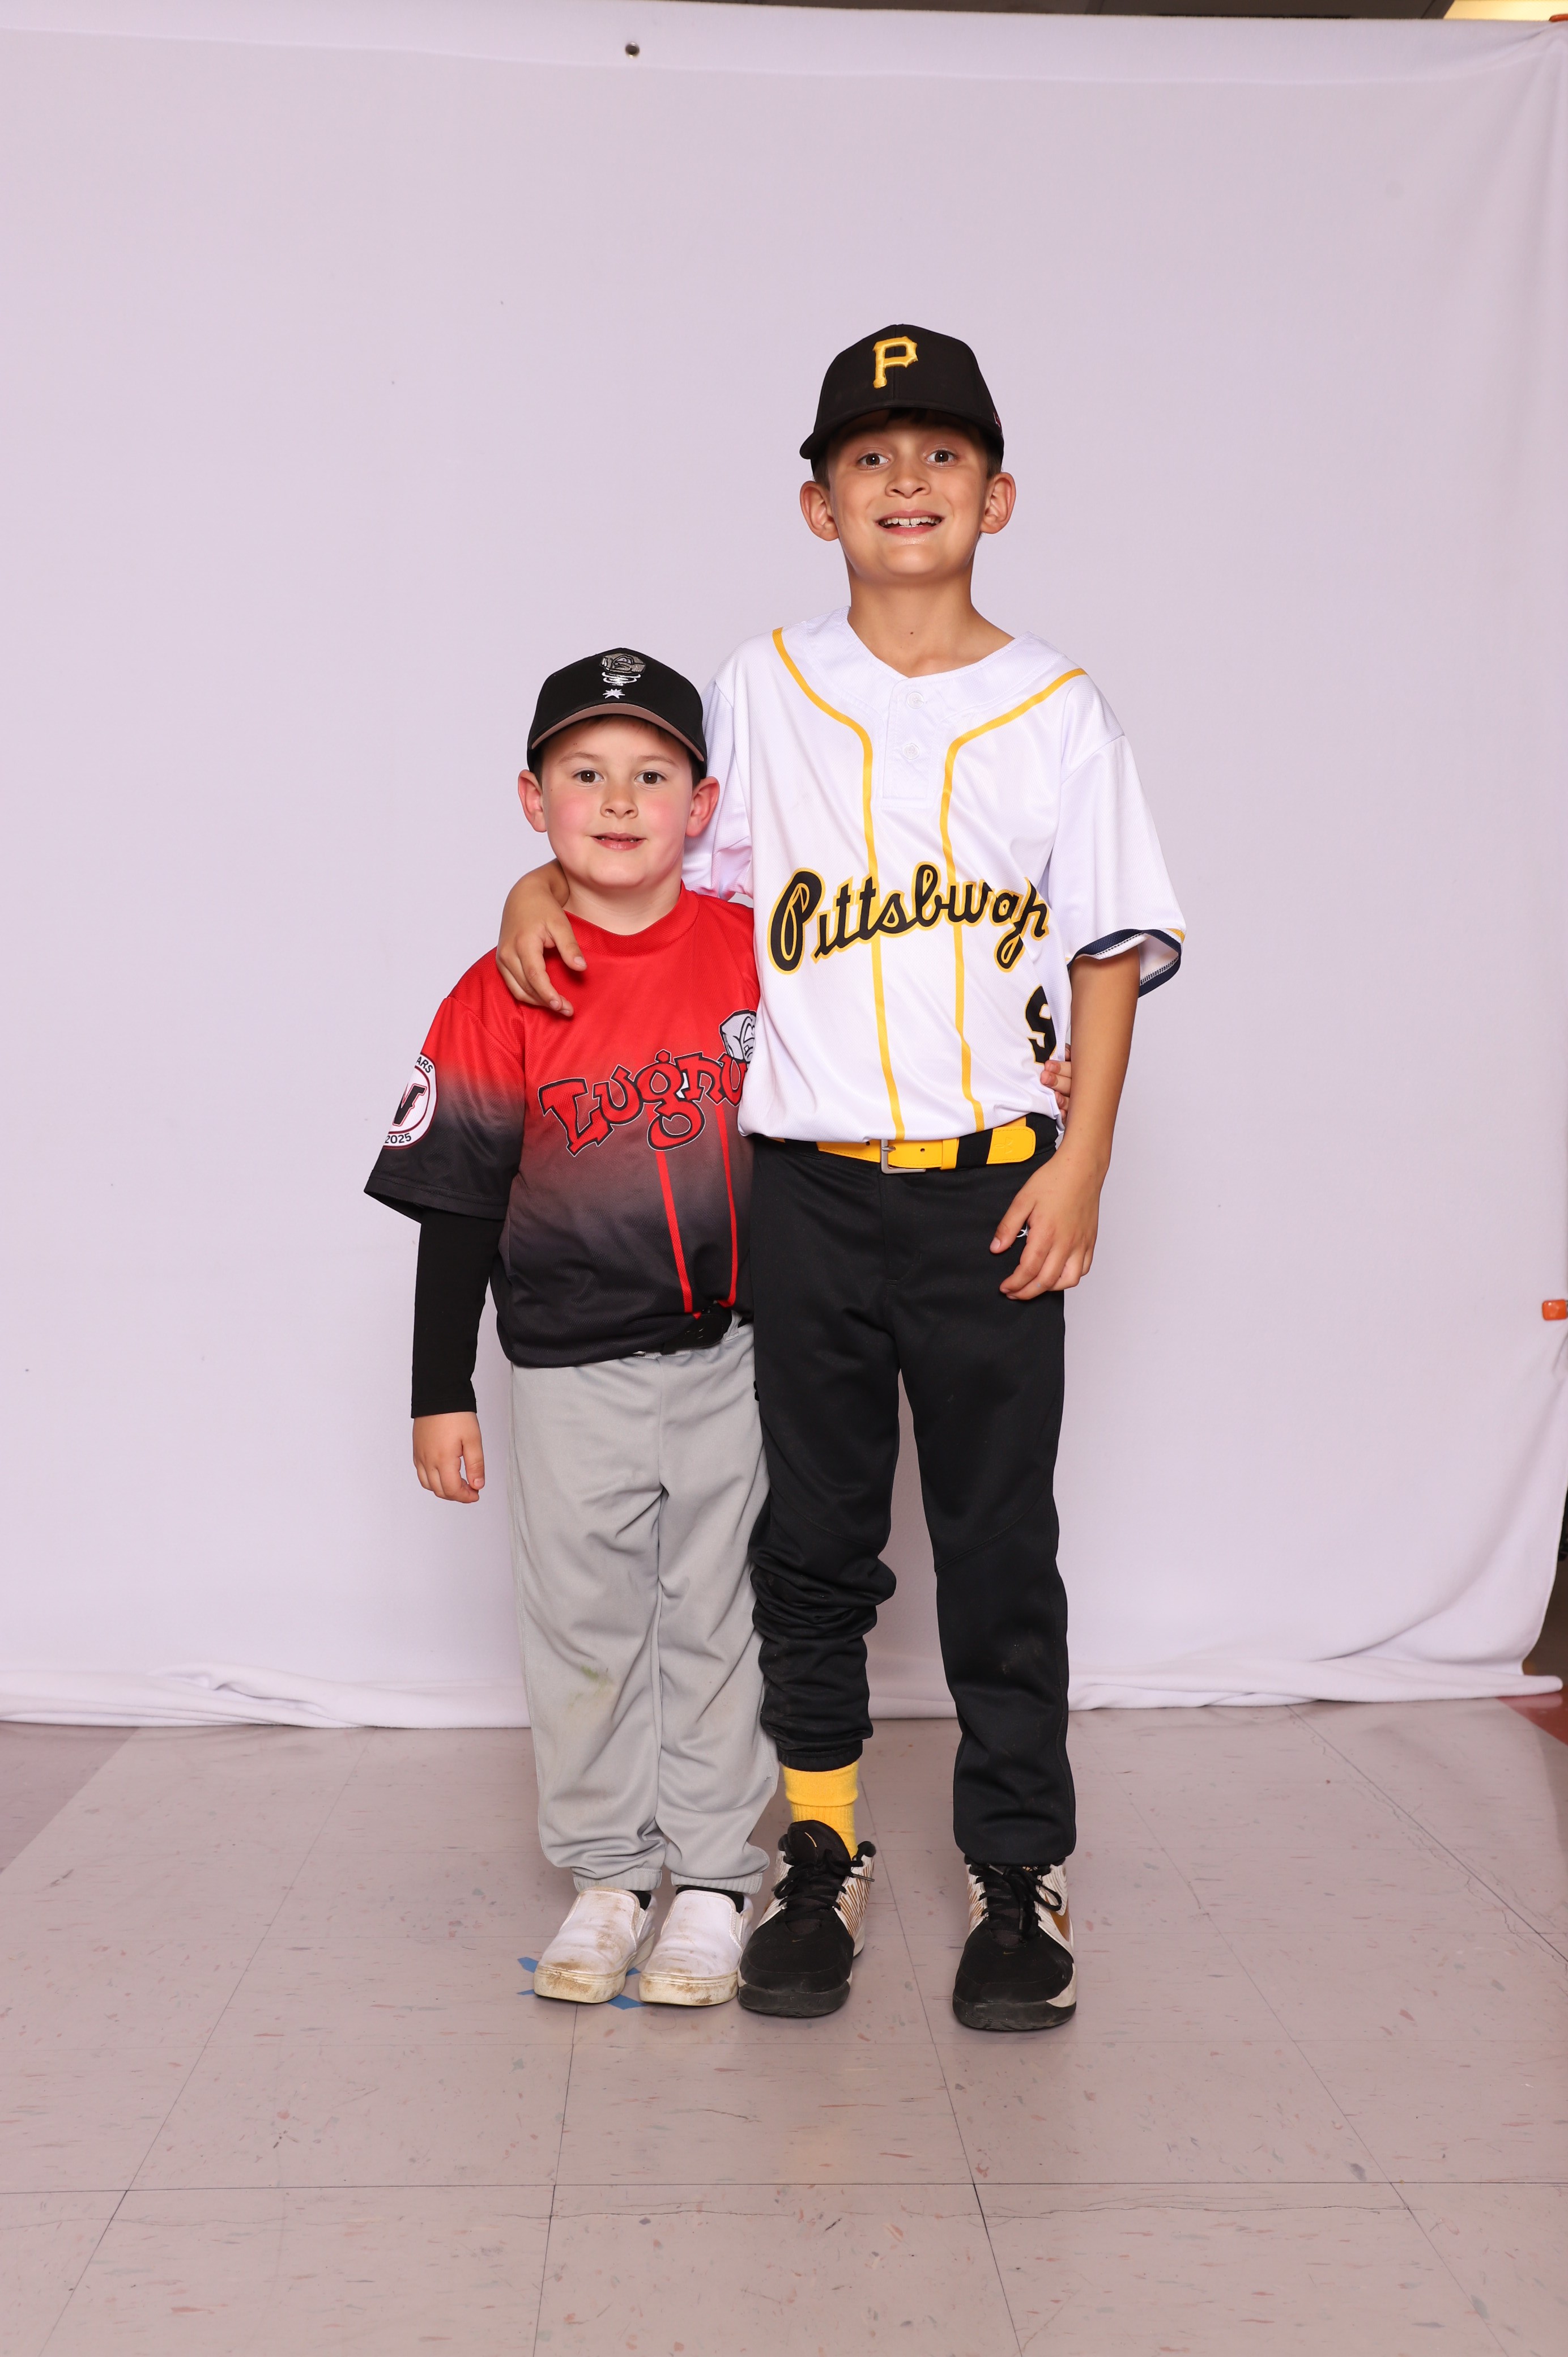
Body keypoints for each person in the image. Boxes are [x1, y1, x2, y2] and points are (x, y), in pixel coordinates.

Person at [495, 326, 1184, 2033]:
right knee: (809, 1543)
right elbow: (667, 871)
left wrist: (1085, 1158)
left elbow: (1107, 946)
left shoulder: (1058, 707)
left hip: (990, 1184)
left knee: (997, 1542)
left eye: (941, 453)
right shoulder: (762, 682)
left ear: (997, 496)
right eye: (868, 457)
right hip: (798, 1182)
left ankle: (1019, 1873)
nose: (905, 481)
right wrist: (540, 886)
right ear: (818, 505)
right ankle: (820, 1850)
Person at [367, 649, 777, 2010]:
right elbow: (455, 1204)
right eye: (584, 773)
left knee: (719, 1615)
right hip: (565, 1367)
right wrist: (439, 1388)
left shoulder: (758, 952)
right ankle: (609, 1873)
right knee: (585, 1625)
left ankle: (712, 1875)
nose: (617, 800)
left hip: (740, 1356)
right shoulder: (501, 988)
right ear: (531, 800)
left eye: (652, 774)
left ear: (701, 805)